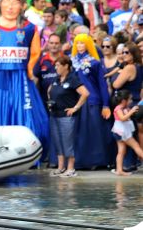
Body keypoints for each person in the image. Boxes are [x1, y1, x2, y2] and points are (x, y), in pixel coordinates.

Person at [0, 0, 49, 149]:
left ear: (22, 6)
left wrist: (29, 68)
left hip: (20, 77)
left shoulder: (29, 27)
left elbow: (36, 52)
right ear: (0, 5)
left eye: (15, 3)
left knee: (24, 111)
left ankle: (26, 147)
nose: (10, 7)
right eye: (6, 2)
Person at [70, 33, 112, 170]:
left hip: (92, 100)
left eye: (82, 42)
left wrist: (105, 104)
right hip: (75, 100)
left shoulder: (95, 63)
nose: (79, 45)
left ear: (88, 44)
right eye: (77, 42)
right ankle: (79, 161)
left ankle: (97, 160)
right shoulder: (71, 62)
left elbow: (102, 85)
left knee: (94, 131)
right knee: (78, 133)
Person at [47, 56, 88, 178]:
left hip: (67, 116)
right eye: (55, 65)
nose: (56, 68)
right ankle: (61, 167)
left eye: (58, 65)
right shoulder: (56, 79)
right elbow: (49, 91)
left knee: (67, 142)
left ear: (66, 66)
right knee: (58, 141)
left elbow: (85, 93)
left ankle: (71, 168)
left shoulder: (72, 79)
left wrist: (75, 108)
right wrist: (50, 101)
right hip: (54, 114)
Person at [110, 90, 143, 176]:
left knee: (121, 151)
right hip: (122, 132)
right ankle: (119, 170)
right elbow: (122, 118)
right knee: (136, 147)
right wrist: (131, 111)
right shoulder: (118, 109)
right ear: (124, 100)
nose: (131, 101)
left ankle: (119, 170)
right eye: (130, 99)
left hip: (121, 132)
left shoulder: (125, 108)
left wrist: (132, 111)